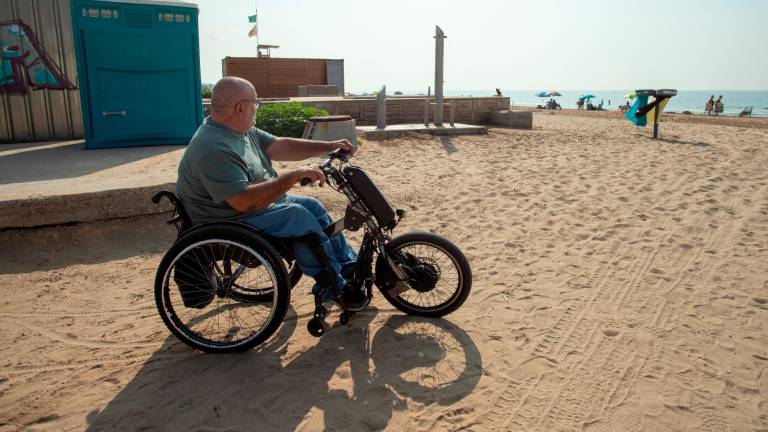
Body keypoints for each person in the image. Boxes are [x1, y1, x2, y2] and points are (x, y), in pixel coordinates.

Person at [176, 76, 366, 310]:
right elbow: (243, 202)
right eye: (255, 103)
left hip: (252, 206)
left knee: (313, 207)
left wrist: (328, 145)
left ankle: (348, 266)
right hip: (228, 217)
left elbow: (281, 146)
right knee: (299, 217)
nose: (256, 108)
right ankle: (331, 284)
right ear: (241, 107)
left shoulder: (240, 130)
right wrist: (291, 177)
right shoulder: (213, 148)